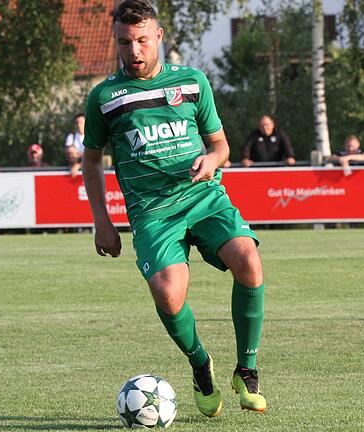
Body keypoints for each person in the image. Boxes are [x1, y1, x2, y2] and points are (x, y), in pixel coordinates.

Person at [81, 0, 266, 417]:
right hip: (152, 212)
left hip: (203, 197)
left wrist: (212, 161)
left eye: (143, 40)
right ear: (117, 40)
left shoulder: (194, 82)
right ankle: (201, 364)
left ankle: (247, 371)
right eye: (125, 42)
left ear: (159, 37)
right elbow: (91, 160)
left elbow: (221, 145)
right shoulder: (105, 97)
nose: (135, 51)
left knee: (249, 261)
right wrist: (101, 221)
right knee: (167, 294)